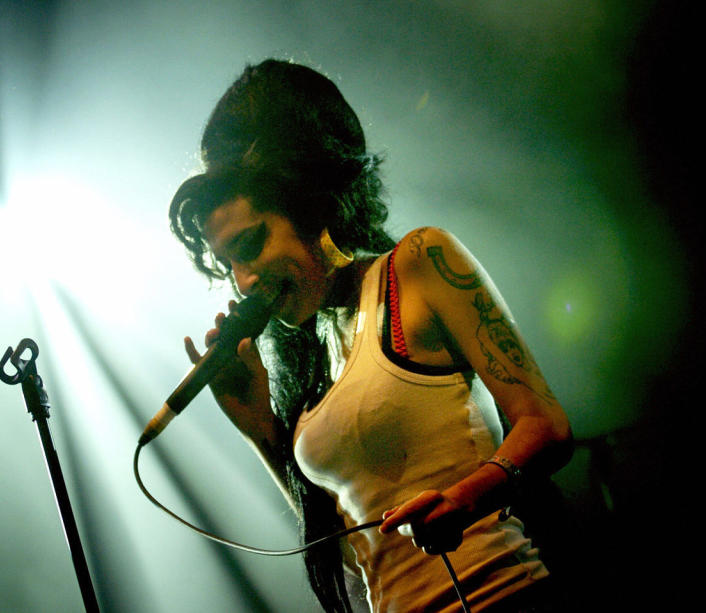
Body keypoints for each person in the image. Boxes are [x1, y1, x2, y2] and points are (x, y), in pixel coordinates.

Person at [168, 59, 573, 613]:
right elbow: (345, 543)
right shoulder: (307, 355)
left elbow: (545, 425)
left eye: (252, 244)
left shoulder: (418, 265)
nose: (244, 281)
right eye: (228, 264)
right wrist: (259, 429)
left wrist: (464, 499)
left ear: (310, 205)